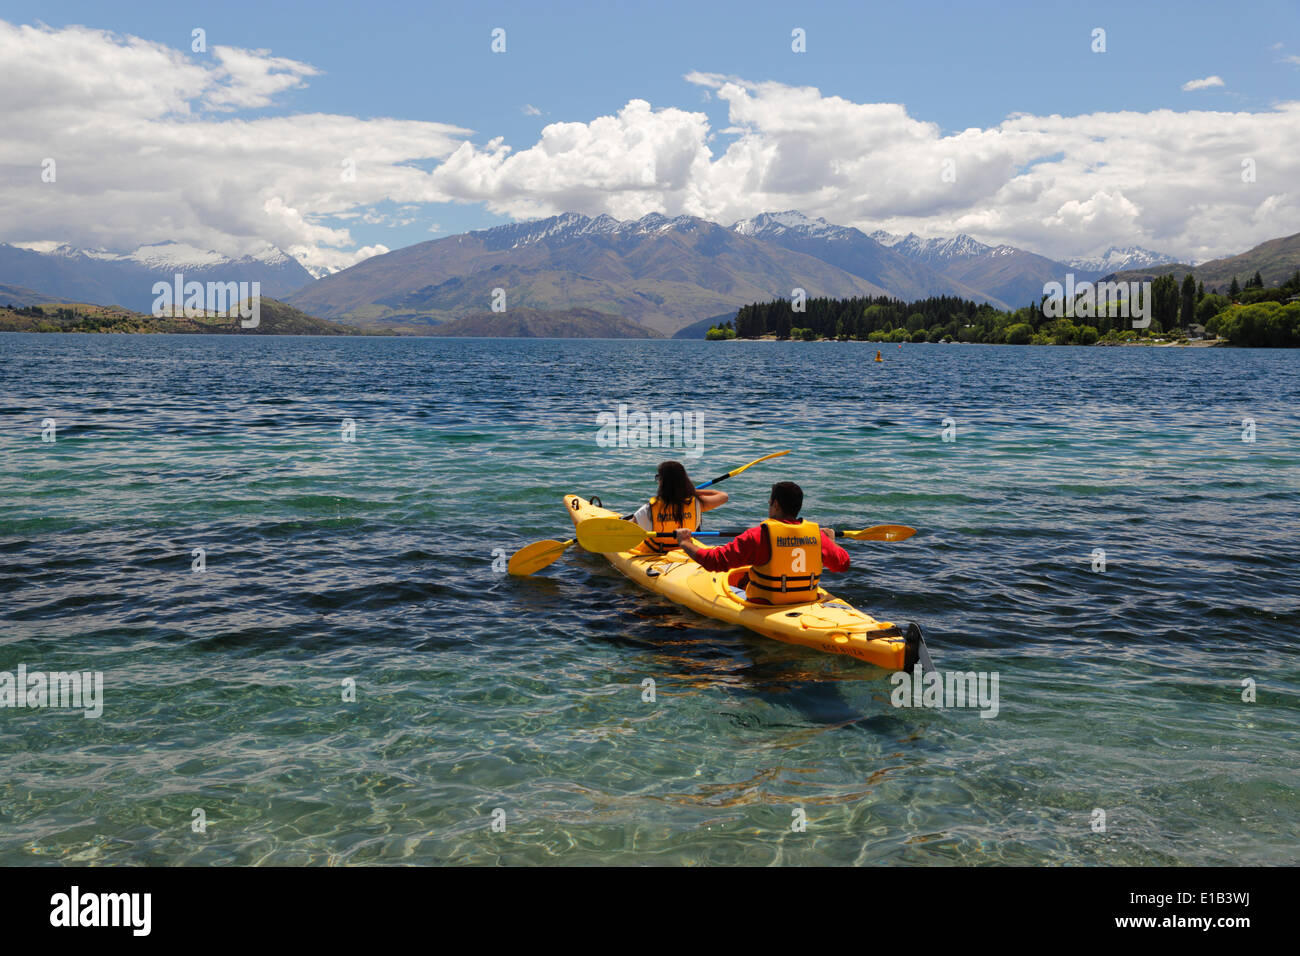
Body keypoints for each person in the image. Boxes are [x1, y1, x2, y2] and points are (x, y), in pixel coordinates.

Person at [674, 481, 848, 604]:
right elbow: (842, 564)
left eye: (770, 502)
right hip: (806, 600)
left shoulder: (759, 535)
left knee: (723, 584)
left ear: (776, 505)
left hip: (764, 604)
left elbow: (715, 561)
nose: (769, 505)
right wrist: (832, 542)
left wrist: (685, 542)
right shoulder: (817, 536)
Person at [630, 460, 728, 555]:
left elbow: (628, 533)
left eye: (658, 477)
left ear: (662, 482)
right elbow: (723, 496)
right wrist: (693, 491)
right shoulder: (697, 504)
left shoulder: (648, 509)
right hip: (686, 551)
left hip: (655, 551)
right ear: (685, 481)